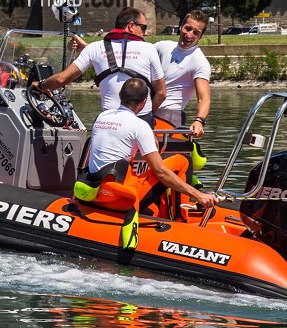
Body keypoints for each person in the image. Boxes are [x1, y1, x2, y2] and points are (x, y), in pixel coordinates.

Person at [74, 78, 214, 246]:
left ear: (120, 95)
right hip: (121, 198)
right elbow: (161, 172)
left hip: (95, 192)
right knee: (181, 162)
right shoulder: (140, 126)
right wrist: (199, 195)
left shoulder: (101, 117)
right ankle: (179, 223)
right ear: (144, 102)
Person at [35, 6, 166, 117]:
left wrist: (40, 86)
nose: (146, 33)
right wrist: (148, 116)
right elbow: (161, 92)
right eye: (144, 27)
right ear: (131, 26)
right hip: (142, 120)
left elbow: (61, 79)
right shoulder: (149, 49)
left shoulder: (94, 49)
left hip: (110, 121)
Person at [154, 10, 212, 136]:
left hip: (169, 115)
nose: (189, 35)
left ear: (200, 36)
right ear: (181, 27)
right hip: (146, 110)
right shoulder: (162, 47)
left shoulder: (199, 62)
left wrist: (199, 120)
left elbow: (204, 98)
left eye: (196, 33)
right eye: (188, 28)